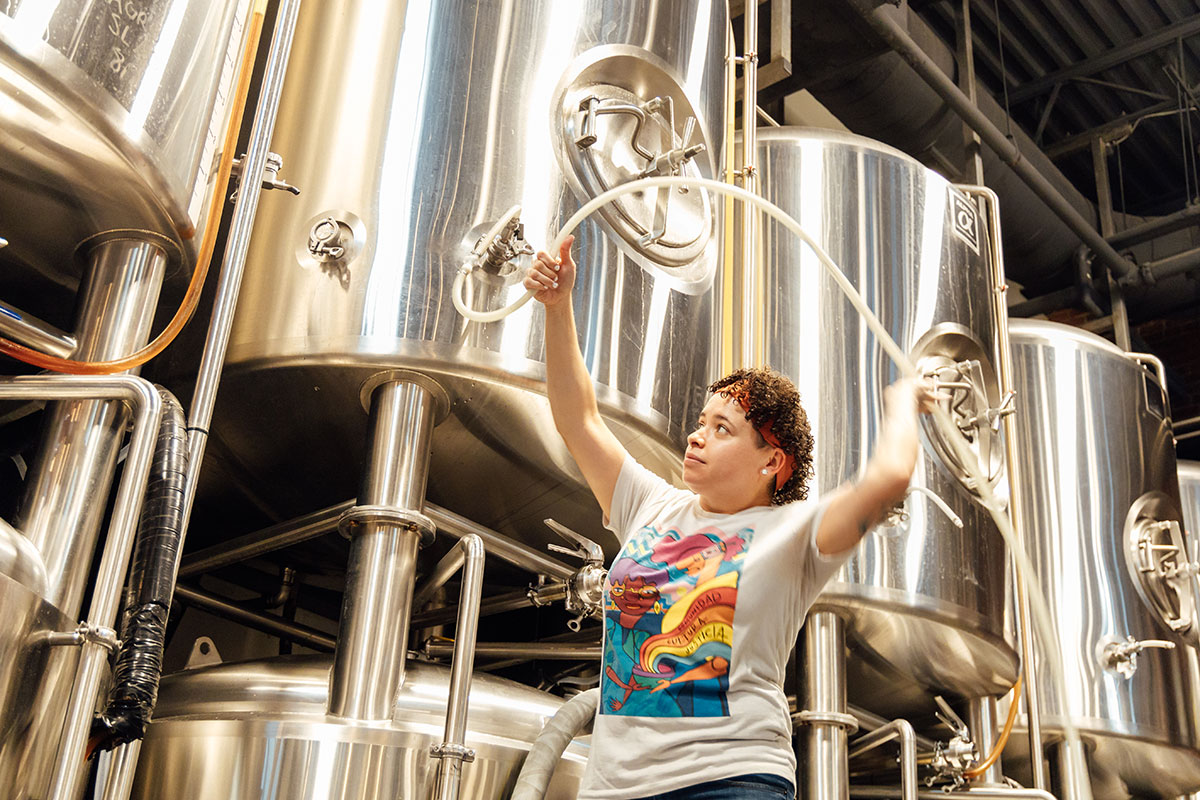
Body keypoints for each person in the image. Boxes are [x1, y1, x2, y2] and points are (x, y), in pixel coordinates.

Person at [523, 236, 935, 800]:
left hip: (730, 780)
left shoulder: (795, 535)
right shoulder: (651, 504)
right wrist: (558, 304)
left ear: (773, 461)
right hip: (613, 787)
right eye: (701, 420)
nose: (697, 435)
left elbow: (887, 478)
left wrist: (902, 404)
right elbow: (578, 420)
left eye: (723, 428)